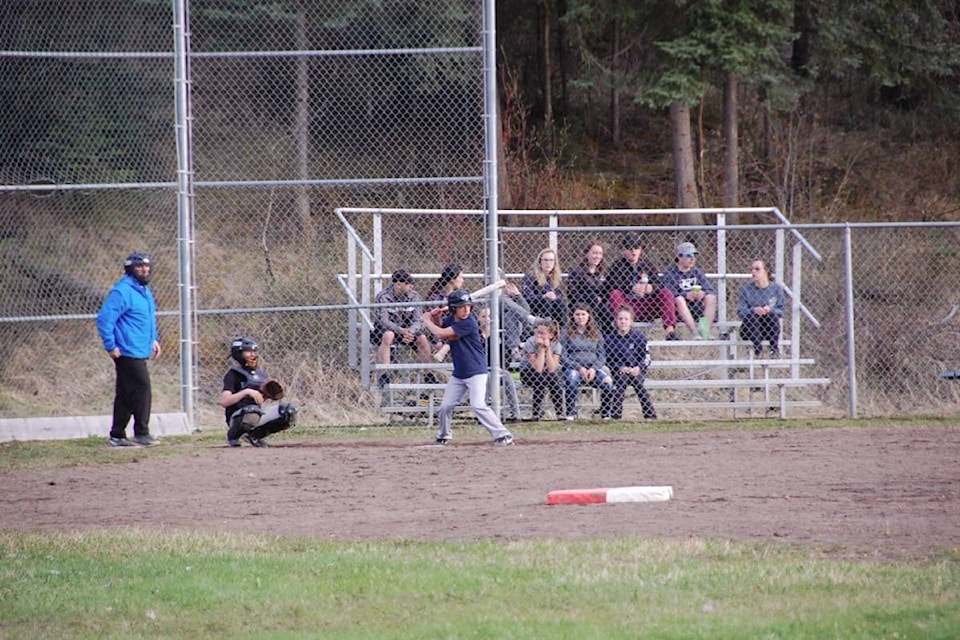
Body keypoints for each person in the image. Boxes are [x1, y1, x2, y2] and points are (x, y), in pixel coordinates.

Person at [421, 290, 515, 445]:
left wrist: (427, 320)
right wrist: (436, 317)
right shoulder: (451, 319)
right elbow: (443, 329)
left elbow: (440, 334)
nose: (466, 310)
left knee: (478, 405)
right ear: (453, 309)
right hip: (459, 373)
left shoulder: (469, 322)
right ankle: (443, 435)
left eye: (468, 307)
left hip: (476, 371)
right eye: (461, 307)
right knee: (445, 407)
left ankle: (503, 434)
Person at [96, 251, 162, 447]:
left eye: (146, 266)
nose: (144, 270)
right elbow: (105, 319)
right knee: (142, 389)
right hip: (126, 350)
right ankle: (142, 433)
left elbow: (146, 318)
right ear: (130, 269)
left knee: (125, 393)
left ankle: (117, 435)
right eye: (139, 267)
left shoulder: (143, 290)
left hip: (140, 348)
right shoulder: (122, 291)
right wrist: (111, 345)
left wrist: (153, 339)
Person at [220, 337, 298, 447]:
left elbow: (259, 402)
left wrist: (268, 395)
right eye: (248, 352)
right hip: (237, 417)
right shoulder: (233, 374)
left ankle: (254, 436)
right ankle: (233, 436)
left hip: (255, 415)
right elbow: (224, 401)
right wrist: (246, 392)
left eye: (253, 352)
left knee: (288, 411)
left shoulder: (260, 374)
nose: (252, 355)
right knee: (252, 411)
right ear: (238, 354)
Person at [607, 233, 678, 339]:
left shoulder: (647, 265)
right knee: (615, 294)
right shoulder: (617, 266)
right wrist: (630, 288)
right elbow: (609, 286)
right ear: (623, 250)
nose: (633, 251)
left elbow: (659, 284)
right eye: (629, 248)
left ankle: (670, 332)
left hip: (647, 305)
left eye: (636, 247)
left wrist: (651, 288)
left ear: (640, 250)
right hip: (627, 307)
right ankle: (623, 332)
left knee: (666, 293)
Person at [373, 269, 435, 388]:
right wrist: (400, 330)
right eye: (407, 284)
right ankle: (384, 375)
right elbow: (384, 321)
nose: (411, 286)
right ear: (398, 284)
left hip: (408, 331)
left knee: (422, 338)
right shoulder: (384, 296)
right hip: (388, 330)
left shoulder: (415, 296)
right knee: (388, 336)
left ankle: (429, 375)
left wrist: (410, 331)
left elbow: (419, 320)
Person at [560, 304, 614, 420]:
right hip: (573, 368)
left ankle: (605, 415)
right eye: (577, 314)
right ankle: (570, 414)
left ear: (589, 316)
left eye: (583, 314)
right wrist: (579, 368)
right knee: (572, 379)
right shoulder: (566, 332)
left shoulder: (596, 333)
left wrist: (594, 369)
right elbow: (563, 356)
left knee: (608, 382)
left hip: (593, 369)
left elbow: (602, 356)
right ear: (573, 316)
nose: (580, 317)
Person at [605, 306, 657, 420]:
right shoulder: (610, 339)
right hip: (619, 371)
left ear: (631, 321)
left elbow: (646, 357)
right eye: (620, 319)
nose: (623, 321)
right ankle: (616, 415)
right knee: (621, 383)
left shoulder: (639, 337)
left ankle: (650, 415)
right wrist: (619, 367)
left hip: (636, 370)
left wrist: (638, 367)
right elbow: (607, 360)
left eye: (626, 319)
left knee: (638, 383)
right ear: (616, 321)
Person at [660, 241, 718, 340]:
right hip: (680, 310)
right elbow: (669, 293)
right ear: (679, 257)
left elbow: (709, 289)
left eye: (694, 256)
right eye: (689, 255)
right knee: (679, 299)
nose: (692, 259)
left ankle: (704, 331)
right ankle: (694, 332)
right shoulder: (670, 273)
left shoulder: (697, 272)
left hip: (697, 307)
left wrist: (703, 293)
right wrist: (686, 295)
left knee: (711, 297)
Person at [477, 305, 522, 422]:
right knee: (487, 376)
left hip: (497, 369)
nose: (487, 319)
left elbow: (506, 354)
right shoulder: (475, 335)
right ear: (478, 318)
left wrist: (501, 367)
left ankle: (515, 414)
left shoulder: (499, 335)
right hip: (480, 370)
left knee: (506, 375)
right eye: (483, 316)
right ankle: (485, 414)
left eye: (490, 316)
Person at [737, 259, 786, 357]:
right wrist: (753, 310)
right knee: (752, 316)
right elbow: (740, 312)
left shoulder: (776, 289)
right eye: (751, 269)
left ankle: (774, 350)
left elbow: (782, 311)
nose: (753, 271)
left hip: (767, 329)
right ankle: (758, 351)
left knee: (771, 316)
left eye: (757, 269)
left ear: (766, 271)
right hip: (749, 329)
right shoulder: (746, 289)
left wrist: (770, 310)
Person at [520, 318, 566, 421]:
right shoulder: (530, 342)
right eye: (537, 332)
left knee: (554, 378)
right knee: (540, 378)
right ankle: (535, 414)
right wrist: (541, 349)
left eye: (542, 333)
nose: (539, 336)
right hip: (528, 372)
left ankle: (560, 413)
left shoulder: (557, 345)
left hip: (548, 373)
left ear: (551, 335)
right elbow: (537, 368)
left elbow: (552, 368)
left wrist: (548, 348)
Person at [567, 241, 614, 332]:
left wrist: (601, 298)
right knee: (593, 300)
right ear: (587, 254)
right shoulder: (576, 271)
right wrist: (590, 297)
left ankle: (606, 337)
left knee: (606, 312)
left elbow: (607, 291)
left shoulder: (604, 272)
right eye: (594, 253)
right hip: (581, 304)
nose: (597, 256)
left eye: (600, 253)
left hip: (600, 305)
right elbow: (571, 294)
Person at [522, 248, 568, 327]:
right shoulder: (531, 276)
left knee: (559, 303)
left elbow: (561, 295)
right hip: (535, 304)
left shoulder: (556, 277)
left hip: (553, 305)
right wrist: (543, 296)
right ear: (540, 262)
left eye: (551, 260)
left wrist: (555, 297)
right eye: (545, 260)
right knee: (547, 301)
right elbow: (527, 296)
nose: (548, 263)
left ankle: (562, 329)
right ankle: (546, 325)